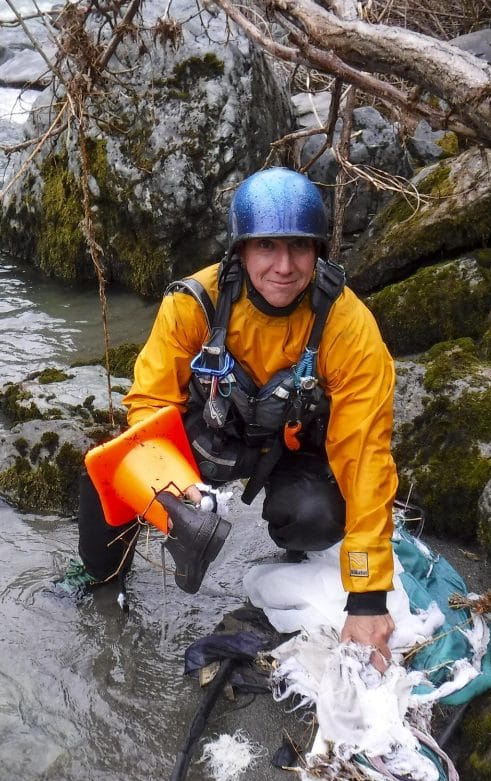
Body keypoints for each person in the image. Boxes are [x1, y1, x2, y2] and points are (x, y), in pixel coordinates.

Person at [77, 167, 398, 669]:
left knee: (318, 516)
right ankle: (99, 580)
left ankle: (297, 558)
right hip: (212, 437)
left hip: (294, 450)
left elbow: (366, 457)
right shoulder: (193, 304)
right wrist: (179, 495)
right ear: (241, 252)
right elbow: (149, 409)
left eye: (299, 247)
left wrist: (367, 599)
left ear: (319, 252)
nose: (284, 266)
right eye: (266, 246)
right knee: (109, 474)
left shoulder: (348, 327)